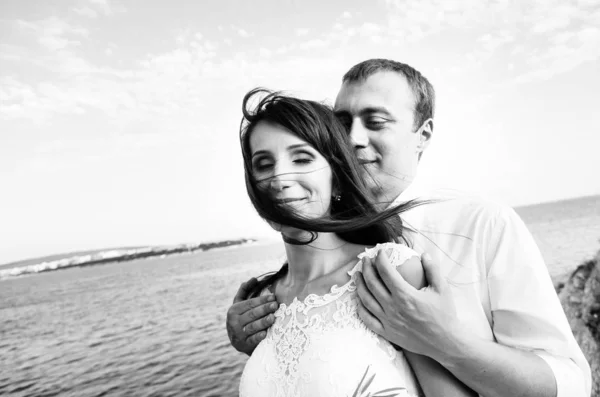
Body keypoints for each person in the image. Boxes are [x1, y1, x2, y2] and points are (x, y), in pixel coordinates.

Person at [227, 59, 592, 397]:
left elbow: (571, 382)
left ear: (423, 134)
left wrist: (447, 343)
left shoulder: (482, 224)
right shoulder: (315, 244)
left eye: (376, 121)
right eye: (340, 123)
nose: (352, 138)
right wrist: (263, 338)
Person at [236, 88, 476, 397]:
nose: (279, 177)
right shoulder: (259, 303)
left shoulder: (392, 273)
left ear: (336, 177)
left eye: (302, 158)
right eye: (264, 164)